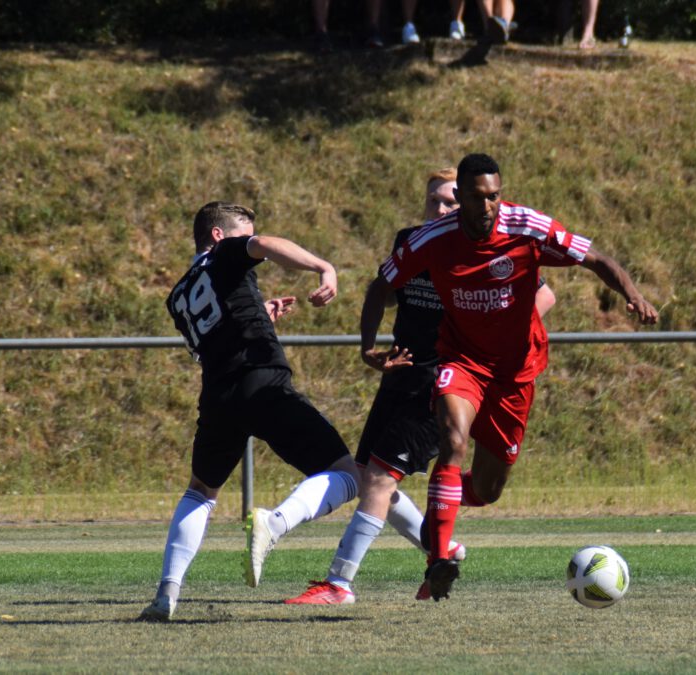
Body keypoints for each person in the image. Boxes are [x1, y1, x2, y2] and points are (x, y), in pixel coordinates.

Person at [378, 153, 659, 601]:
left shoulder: (527, 226)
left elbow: (596, 258)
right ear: (462, 196)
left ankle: (439, 507)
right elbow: (381, 283)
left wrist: (633, 294)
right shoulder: (435, 238)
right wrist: (366, 346)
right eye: (476, 197)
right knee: (452, 441)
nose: (487, 205)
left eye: (494, 196)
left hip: (516, 373)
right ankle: (438, 560)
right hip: (462, 361)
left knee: (489, 489)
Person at [285, 169, 557, 605]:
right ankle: (442, 548)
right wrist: (375, 333)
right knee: (372, 477)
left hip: (445, 376)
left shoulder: (478, 244)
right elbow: (389, 293)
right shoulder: (414, 241)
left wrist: (502, 330)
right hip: (400, 373)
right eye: (435, 201)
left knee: (379, 478)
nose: (443, 209)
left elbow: (543, 294)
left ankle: (339, 583)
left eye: (451, 202)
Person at [138, 202, 360, 622]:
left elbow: (217, 333)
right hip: (261, 381)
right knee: (349, 472)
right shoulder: (226, 253)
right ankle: (273, 524)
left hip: (219, 394)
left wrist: (262, 315)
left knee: (200, 492)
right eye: (242, 234)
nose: (249, 240)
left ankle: (166, 594)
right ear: (219, 236)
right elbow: (265, 245)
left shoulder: (178, 295)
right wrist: (323, 267)